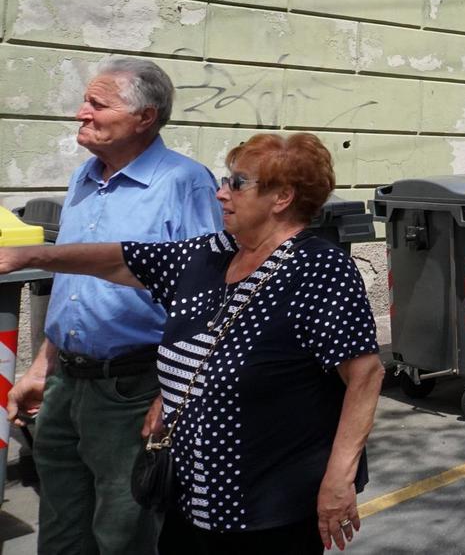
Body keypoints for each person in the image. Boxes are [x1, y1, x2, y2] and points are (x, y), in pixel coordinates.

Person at [0, 132, 383, 551]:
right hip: (190, 500)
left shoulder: (319, 270)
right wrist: (31, 256)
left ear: (282, 198)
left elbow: (364, 375)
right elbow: (117, 258)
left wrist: (338, 480)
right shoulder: (211, 253)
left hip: (271, 505)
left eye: (237, 183)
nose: (220, 194)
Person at [5, 58, 221, 553]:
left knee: (124, 534)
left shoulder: (185, 183)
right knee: (61, 530)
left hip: (132, 390)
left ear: (144, 117)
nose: (81, 113)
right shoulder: (86, 175)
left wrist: (172, 398)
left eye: (97, 105)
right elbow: (72, 289)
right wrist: (41, 368)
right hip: (64, 387)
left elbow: (205, 301)